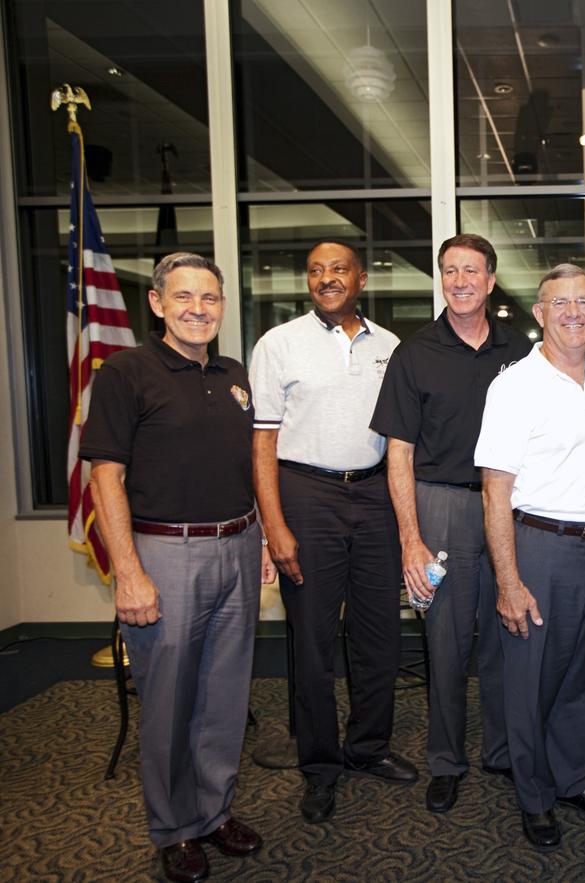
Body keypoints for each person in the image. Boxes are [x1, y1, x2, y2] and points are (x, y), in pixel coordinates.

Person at [81, 253, 269, 883]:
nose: (198, 308)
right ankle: (173, 828)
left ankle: (213, 814)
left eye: (210, 298)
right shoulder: (126, 373)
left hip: (238, 546)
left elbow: (243, 465)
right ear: (158, 303)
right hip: (164, 553)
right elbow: (105, 474)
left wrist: (263, 539)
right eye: (184, 297)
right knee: (168, 701)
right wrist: (128, 573)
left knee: (223, 696)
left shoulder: (233, 372)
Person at [250, 240, 417, 826]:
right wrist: (274, 525)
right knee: (314, 644)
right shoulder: (278, 344)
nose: (327, 279)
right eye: (317, 271)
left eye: (338, 269)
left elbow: (402, 440)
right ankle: (319, 767)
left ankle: (368, 748)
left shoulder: (391, 347)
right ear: (308, 281)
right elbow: (263, 441)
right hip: (306, 494)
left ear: (361, 279)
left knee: (379, 637)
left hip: (373, 495)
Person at [370, 233, 530, 813]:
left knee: (508, 634)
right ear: (441, 280)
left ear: (491, 281)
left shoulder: (521, 350)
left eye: (472, 271)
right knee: (446, 642)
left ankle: (504, 751)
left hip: (509, 507)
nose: (460, 281)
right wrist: (411, 540)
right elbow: (398, 454)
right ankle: (446, 761)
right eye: (449, 271)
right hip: (440, 506)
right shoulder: (415, 353)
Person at [475, 264, 585, 851]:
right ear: (540, 315)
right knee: (531, 681)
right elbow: (495, 490)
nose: (574, 312)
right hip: (538, 546)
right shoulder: (515, 384)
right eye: (559, 303)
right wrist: (508, 581)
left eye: (584, 301)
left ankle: (573, 780)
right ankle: (534, 798)